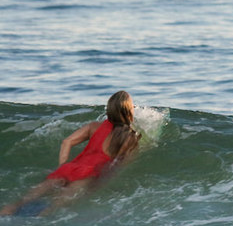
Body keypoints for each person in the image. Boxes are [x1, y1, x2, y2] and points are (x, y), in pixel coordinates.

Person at [1, 90, 141, 216]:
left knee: (21, 202)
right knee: (50, 210)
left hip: (69, 168)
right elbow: (118, 166)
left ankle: (7, 212)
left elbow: (66, 142)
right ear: (128, 111)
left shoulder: (93, 126)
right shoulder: (129, 137)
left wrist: (62, 166)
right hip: (87, 175)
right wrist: (100, 184)